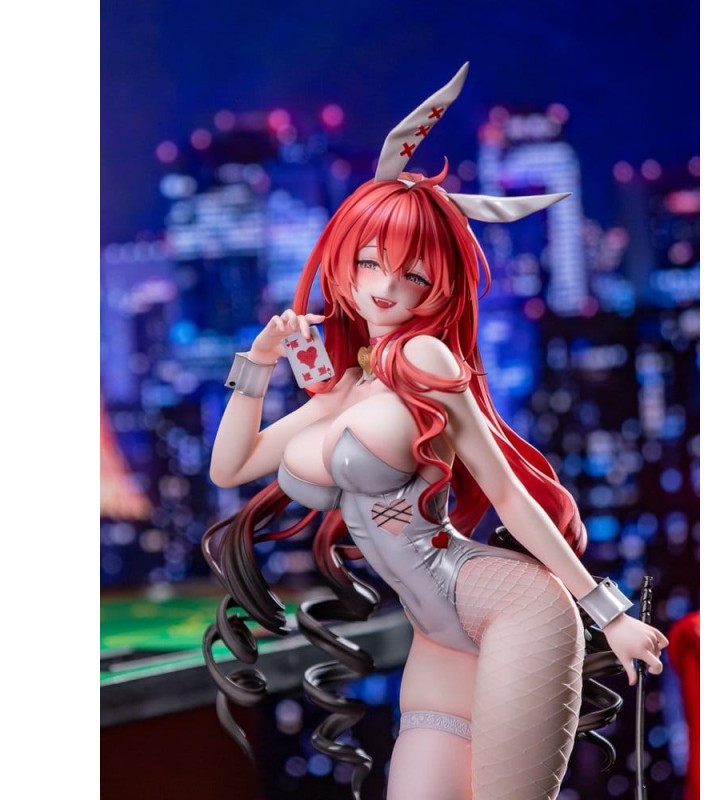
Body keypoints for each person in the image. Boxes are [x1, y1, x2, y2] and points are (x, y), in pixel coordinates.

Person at [202, 63, 668, 800]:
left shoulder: (424, 356)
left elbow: (509, 495)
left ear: (439, 286)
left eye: (412, 276)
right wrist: (256, 365)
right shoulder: (346, 386)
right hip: (435, 632)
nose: (386, 287)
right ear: (342, 263)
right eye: (369, 263)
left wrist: (608, 613)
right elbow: (231, 468)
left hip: (511, 608)